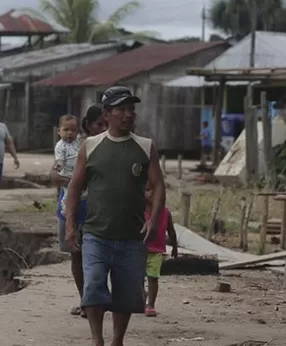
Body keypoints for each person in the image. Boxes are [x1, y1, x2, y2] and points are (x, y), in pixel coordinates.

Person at [65, 86, 165, 346]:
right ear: (107, 114)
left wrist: (153, 219)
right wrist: (70, 225)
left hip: (132, 237)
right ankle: (97, 339)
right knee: (94, 287)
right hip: (96, 234)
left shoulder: (145, 147)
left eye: (131, 109)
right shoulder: (91, 146)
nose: (128, 114)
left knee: (126, 295)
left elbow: (158, 185)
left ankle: (117, 341)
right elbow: (75, 186)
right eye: (121, 109)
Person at [50, 105, 106, 319]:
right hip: (73, 204)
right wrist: (73, 183)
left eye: (105, 123)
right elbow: (55, 175)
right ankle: (86, 300)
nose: (103, 127)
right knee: (76, 254)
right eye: (99, 124)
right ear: (89, 125)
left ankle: (93, 300)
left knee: (95, 256)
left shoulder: (109, 146)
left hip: (95, 207)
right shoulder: (78, 146)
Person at [143, 183, 178, 317]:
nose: (150, 194)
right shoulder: (139, 211)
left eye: (153, 190)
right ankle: (143, 297)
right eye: (146, 190)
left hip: (156, 251)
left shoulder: (165, 212)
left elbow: (171, 232)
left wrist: (174, 247)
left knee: (153, 278)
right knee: (138, 279)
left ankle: (150, 304)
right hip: (140, 251)